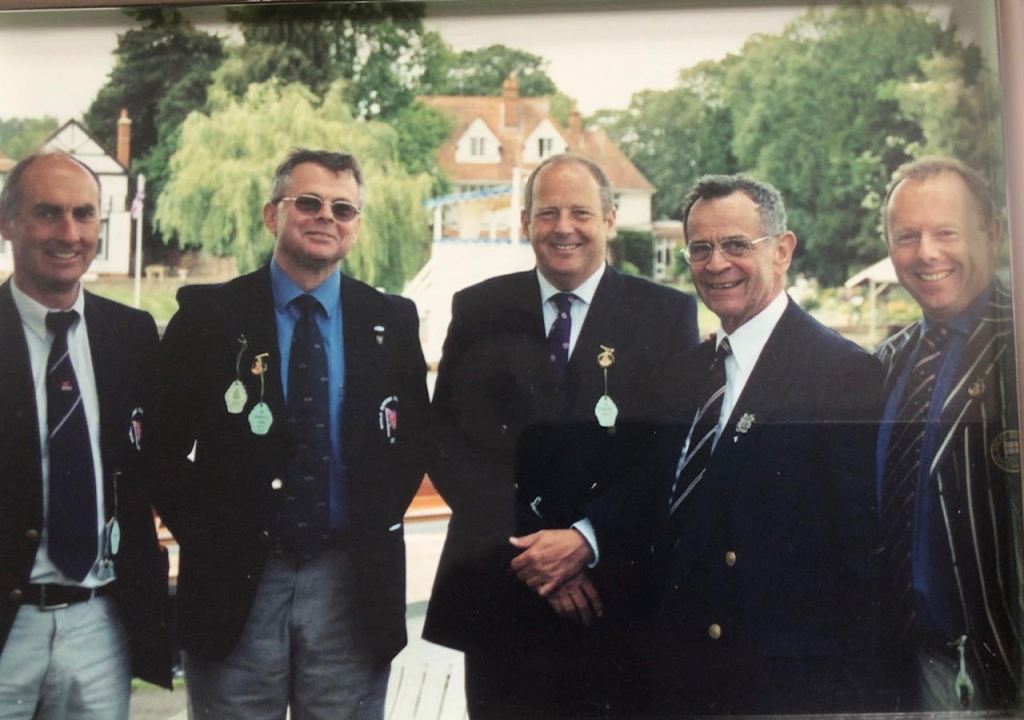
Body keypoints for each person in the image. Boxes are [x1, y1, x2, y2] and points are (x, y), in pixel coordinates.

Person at [149, 148, 429, 719]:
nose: (326, 216)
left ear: (355, 227)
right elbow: (161, 448)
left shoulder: (391, 321)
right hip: (237, 584)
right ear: (272, 215)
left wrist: (367, 520)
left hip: (350, 585)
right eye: (309, 202)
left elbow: (412, 444)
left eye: (343, 208)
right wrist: (212, 535)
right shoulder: (209, 317)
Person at [423, 153, 699, 717]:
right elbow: (448, 441)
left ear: (610, 219)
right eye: (547, 213)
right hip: (503, 592)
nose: (563, 227)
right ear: (526, 222)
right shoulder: (479, 308)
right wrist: (535, 549)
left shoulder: (665, 315)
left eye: (581, 212)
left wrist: (583, 540)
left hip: (611, 596)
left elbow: (668, 453)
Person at [648, 174, 885, 715]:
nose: (716, 264)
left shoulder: (840, 372)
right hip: (682, 674)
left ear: (782, 250)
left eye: (736, 244)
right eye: (700, 249)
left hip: (780, 686)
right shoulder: (686, 373)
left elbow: (861, 560)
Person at [0, 152, 171, 718]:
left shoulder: (131, 335)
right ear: (7, 223)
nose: (69, 233)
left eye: (84, 214)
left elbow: (157, 466)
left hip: (100, 625)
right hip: (8, 626)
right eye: (47, 213)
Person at [875, 156, 1022, 711]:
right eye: (907, 237)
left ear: (993, 234)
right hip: (905, 663)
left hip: (1004, 666)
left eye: (946, 233)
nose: (926, 253)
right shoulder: (888, 361)